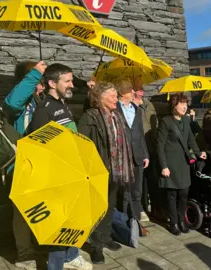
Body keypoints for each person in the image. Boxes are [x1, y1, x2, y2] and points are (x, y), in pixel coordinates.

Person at [26, 63, 92, 270]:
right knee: (59, 224)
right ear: (52, 84)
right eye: (68, 81)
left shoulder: (62, 104)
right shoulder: (44, 110)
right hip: (56, 176)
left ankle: (71, 255)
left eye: (72, 80)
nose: (72, 85)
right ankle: (55, 266)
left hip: (72, 172)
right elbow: (38, 146)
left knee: (72, 219)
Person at [78, 82, 133, 264]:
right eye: (112, 95)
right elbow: (83, 145)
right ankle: (96, 246)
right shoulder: (90, 117)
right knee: (97, 210)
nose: (116, 98)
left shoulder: (116, 116)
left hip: (115, 171)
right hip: (98, 171)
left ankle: (106, 237)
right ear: (100, 97)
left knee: (110, 206)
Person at [4, 61, 46, 270]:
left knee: (37, 206)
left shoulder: (36, 101)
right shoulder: (19, 101)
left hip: (37, 162)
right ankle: (23, 254)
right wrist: (35, 74)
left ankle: (34, 244)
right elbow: (11, 103)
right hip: (20, 163)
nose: (43, 85)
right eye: (40, 81)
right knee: (21, 210)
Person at [156, 93, 207, 235]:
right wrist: (164, 166)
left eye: (186, 104)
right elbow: (159, 145)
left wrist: (198, 153)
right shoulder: (166, 122)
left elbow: (191, 139)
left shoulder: (185, 120)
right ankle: (173, 222)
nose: (185, 107)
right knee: (172, 195)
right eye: (182, 104)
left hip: (184, 163)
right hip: (170, 164)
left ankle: (181, 220)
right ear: (174, 105)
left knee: (184, 194)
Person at [115, 80, 150, 228]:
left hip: (138, 155)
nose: (133, 94)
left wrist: (146, 154)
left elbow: (140, 134)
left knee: (137, 189)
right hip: (122, 155)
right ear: (123, 93)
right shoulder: (114, 109)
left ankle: (136, 219)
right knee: (124, 191)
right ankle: (124, 221)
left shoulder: (137, 110)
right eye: (130, 91)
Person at [132, 84, 162, 221]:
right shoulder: (130, 106)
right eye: (139, 88)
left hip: (151, 144)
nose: (141, 90)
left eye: (142, 88)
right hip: (139, 145)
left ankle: (156, 208)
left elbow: (155, 122)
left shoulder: (148, 104)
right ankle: (142, 208)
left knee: (153, 177)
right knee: (141, 180)